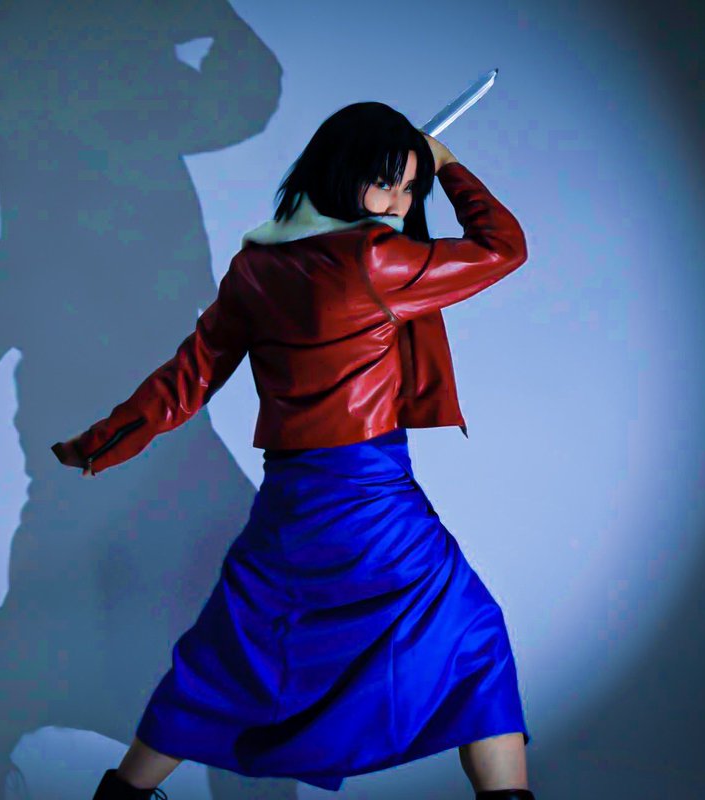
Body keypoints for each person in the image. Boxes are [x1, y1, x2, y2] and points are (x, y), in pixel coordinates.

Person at [52, 102, 535, 800]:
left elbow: (190, 376)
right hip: (370, 500)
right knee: (473, 638)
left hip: (290, 505)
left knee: (225, 657)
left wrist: (103, 442)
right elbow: (504, 246)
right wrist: (449, 165)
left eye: (411, 188)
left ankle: (119, 797)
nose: (399, 205)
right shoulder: (377, 260)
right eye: (385, 184)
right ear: (341, 174)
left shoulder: (256, 264)